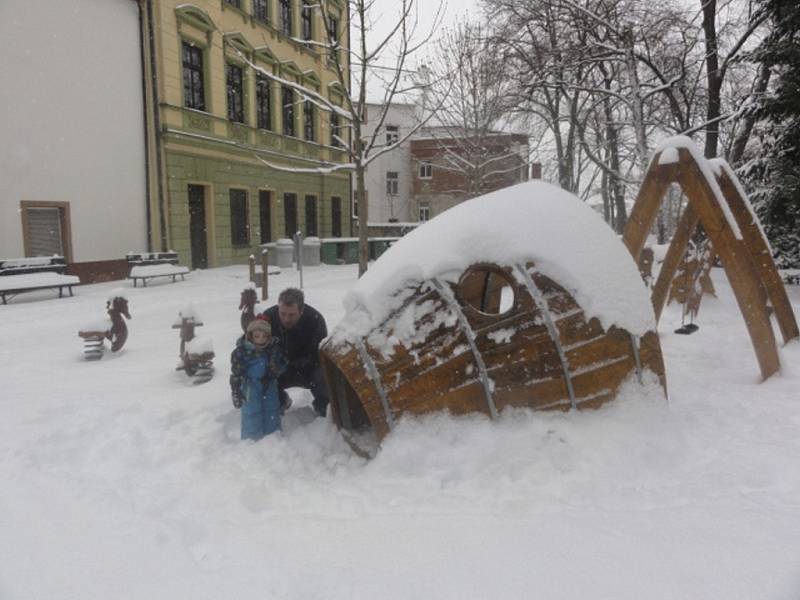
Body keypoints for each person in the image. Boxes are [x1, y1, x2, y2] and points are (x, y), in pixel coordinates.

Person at [261, 287, 329, 417]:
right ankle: (280, 400)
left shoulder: (315, 320)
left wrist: (295, 365)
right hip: (278, 369)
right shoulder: (268, 318)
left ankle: (323, 406)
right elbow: (257, 349)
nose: (286, 319)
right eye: (282, 313)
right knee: (258, 372)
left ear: (301, 310)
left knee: (324, 374)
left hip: (307, 369)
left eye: (292, 315)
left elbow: (319, 355)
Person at [230, 318, 287, 440]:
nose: (261, 340)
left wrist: (275, 369)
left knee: (271, 408)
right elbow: (236, 370)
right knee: (251, 410)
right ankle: (252, 438)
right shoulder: (243, 351)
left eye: (264, 336)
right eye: (257, 336)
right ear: (250, 336)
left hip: (269, 384)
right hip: (251, 385)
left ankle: (273, 435)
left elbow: (283, 363)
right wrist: (236, 388)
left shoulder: (273, 349)